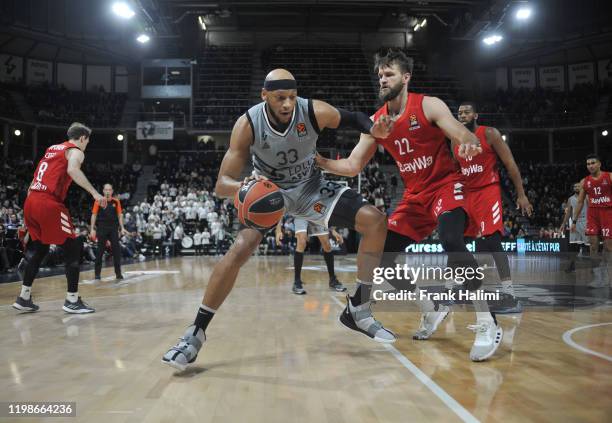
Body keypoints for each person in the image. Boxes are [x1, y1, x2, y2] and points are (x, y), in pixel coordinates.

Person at [162, 68, 396, 371]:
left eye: (291, 97)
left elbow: (354, 118)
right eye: (279, 98)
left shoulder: (313, 111)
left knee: (375, 221)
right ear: (264, 96)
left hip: (312, 187)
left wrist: (374, 127)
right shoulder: (247, 124)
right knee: (240, 249)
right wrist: (247, 186)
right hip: (270, 194)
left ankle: (359, 309)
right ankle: (195, 333)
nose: (287, 104)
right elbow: (223, 184)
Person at [316, 49, 501, 362]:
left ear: (405, 77)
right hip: (415, 196)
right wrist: (319, 162)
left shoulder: (427, 104)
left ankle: (487, 321)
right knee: (383, 254)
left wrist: (467, 140)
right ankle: (430, 306)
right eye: (380, 75)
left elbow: (457, 130)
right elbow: (352, 165)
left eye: (389, 74)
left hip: (446, 186)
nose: (383, 79)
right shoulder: (377, 122)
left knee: (451, 240)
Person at [13, 122, 104, 313]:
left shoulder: (52, 149)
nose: (86, 145)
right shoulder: (76, 150)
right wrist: (95, 193)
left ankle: (24, 297)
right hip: (48, 202)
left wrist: (28, 217)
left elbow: (34, 180)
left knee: (39, 248)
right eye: (87, 141)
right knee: (73, 247)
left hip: (31, 200)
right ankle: (72, 300)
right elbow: (72, 170)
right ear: (82, 138)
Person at [454, 101, 532, 313]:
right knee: (458, 240)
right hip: (466, 194)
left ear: (476, 115)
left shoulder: (489, 133)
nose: (462, 115)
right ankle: (460, 284)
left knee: (493, 241)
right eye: (459, 113)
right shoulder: (454, 141)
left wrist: (521, 194)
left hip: (487, 191)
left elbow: (510, 163)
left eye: (466, 112)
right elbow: (455, 170)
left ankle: (510, 295)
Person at [276, 216, 346, 294]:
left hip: (314, 214)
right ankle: (297, 282)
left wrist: (332, 230)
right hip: (300, 214)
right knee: (302, 241)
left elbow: (323, 209)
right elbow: (281, 210)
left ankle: (333, 280)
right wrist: (278, 230)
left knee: (327, 245)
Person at [571, 154, 611, 288]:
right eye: (588, 164)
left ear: (599, 164)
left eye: (593, 163)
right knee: (593, 246)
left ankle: (608, 274)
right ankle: (598, 276)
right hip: (593, 214)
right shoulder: (585, 181)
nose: (590, 166)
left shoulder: (609, 176)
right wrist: (574, 221)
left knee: (608, 247)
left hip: (608, 213)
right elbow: (580, 202)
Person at [91, 183, 127, 281]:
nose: (107, 191)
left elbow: (120, 215)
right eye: (106, 190)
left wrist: (122, 228)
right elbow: (94, 215)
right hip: (102, 228)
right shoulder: (98, 201)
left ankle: (118, 273)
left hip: (113, 229)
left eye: (109, 190)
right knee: (100, 251)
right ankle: (97, 274)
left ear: (112, 191)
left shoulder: (116, 202)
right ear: (103, 191)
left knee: (116, 251)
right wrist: (92, 229)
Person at [559, 182, 588, 271]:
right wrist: (563, 224)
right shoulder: (570, 199)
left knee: (589, 246)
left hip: (586, 222)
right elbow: (568, 213)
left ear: (581, 187)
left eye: (578, 186)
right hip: (575, 223)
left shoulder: (587, 197)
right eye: (574, 186)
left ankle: (594, 267)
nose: (576, 187)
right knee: (574, 246)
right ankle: (572, 265)